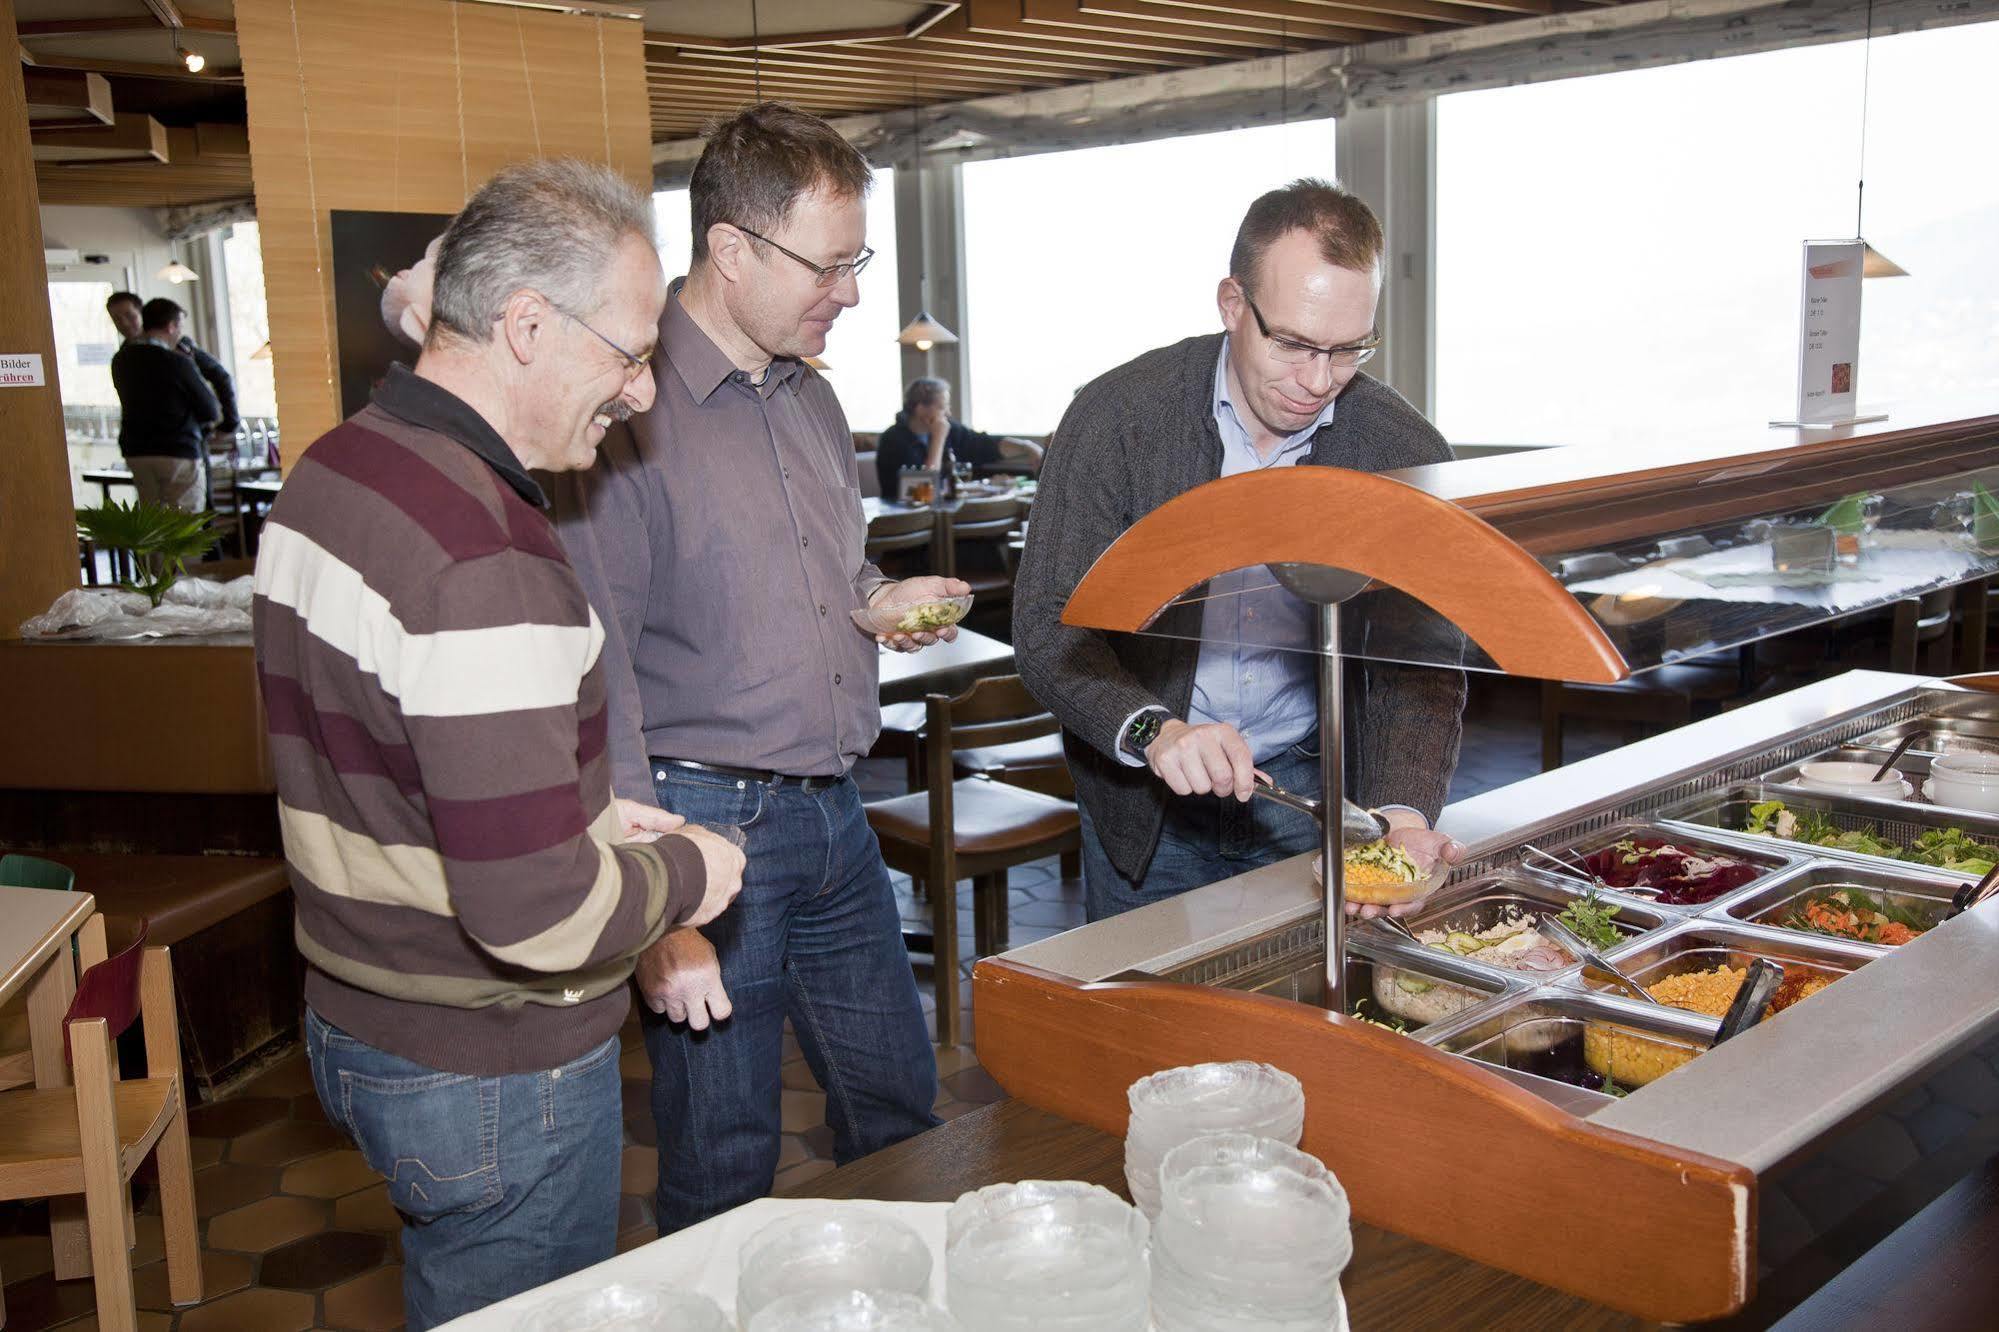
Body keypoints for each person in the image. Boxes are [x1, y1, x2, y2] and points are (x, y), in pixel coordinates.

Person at [251, 159, 745, 1330]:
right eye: (629, 354)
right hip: (488, 1069)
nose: (638, 395)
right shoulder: (487, 559)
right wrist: (693, 872)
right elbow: (531, 914)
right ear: (526, 326)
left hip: (357, 1016)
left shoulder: (335, 468)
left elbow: (389, 754)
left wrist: (574, 812)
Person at [553, 102, 958, 1239]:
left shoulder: (814, 397)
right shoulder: (624, 416)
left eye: (856, 260)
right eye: (829, 265)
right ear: (730, 251)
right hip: (698, 819)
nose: (852, 293)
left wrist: (873, 600)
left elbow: (833, 559)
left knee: (901, 1107)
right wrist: (654, 899)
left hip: (836, 811)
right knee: (724, 1157)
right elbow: (599, 673)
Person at [1013, 178, 1468, 923]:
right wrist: (1152, 729)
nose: (1317, 382)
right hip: (1144, 800)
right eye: (1291, 343)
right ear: (1232, 304)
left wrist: (1402, 813)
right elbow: (1045, 626)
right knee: (1142, 1022)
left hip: (1311, 788)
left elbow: (1419, 660)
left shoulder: (1399, 446)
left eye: (1348, 349)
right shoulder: (1116, 416)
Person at [108, 297, 221, 512]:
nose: (123, 323)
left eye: (128, 316)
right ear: (171, 326)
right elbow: (210, 409)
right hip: (177, 450)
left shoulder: (120, 361)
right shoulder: (177, 361)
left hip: (137, 451)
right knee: (184, 524)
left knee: (153, 521)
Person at [874, 375, 1042, 497]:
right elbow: (923, 490)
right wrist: (938, 439)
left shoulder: (950, 429)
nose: (948, 413)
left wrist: (1027, 446)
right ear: (920, 409)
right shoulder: (893, 440)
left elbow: (983, 444)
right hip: (905, 526)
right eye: (942, 407)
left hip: (941, 520)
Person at [107, 289, 239, 438]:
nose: (124, 323)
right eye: (117, 319)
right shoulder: (122, 358)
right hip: (142, 439)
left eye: (130, 316)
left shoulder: (178, 344)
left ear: (142, 314)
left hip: (183, 438)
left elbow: (220, 376)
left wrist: (230, 423)